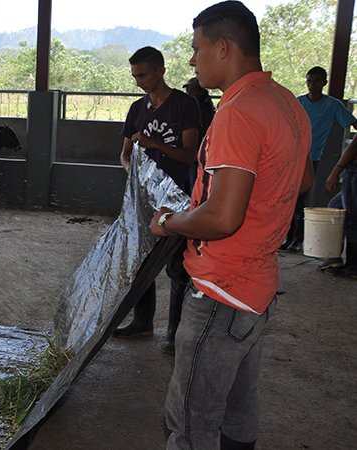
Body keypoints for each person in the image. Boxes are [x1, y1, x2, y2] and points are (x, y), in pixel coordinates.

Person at [150, 2, 312, 447]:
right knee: (238, 416)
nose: (192, 59)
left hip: (222, 288)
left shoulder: (237, 111)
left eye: (197, 48)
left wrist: (168, 222)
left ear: (223, 47)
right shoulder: (285, 102)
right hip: (257, 284)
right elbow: (304, 179)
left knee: (190, 422)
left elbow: (222, 217)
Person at [116, 46, 201, 354]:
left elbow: (190, 154)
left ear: (160, 71)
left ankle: (174, 333)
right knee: (141, 261)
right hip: (145, 198)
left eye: (142, 75)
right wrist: (134, 174)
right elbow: (125, 155)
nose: (138, 81)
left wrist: (153, 144)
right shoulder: (137, 108)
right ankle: (143, 321)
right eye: (135, 76)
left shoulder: (185, 105)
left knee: (178, 266)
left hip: (176, 196)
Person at [282, 66, 357, 252]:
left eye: (316, 81)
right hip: (291, 155)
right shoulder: (298, 102)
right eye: (308, 81)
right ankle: (289, 236)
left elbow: (352, 122)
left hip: (311, 157)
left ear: (324, 82)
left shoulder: (332, 105)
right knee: (289, 198)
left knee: (301, 199)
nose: (311, 85)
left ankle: (298, 239)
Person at [324, 137, 357, 278]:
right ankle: (334, 257)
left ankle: (353, 267)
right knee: (335, 208)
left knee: (351, 219)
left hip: (355, 169)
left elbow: (355, 145)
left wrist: (336, 171)